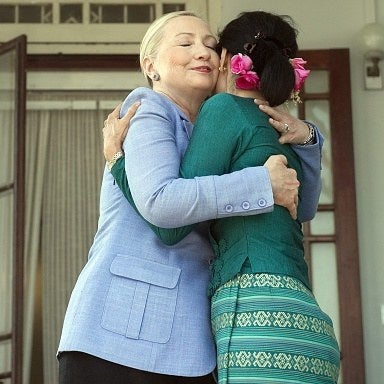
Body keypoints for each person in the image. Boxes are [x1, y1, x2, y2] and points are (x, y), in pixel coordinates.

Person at [58, 11, 322, 384]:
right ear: (151, 66)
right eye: (185, 43)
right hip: (120, 333)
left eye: (211, 46)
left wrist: (309, 137)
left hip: (194, 336)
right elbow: (162, 203)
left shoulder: (222, 123)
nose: (203, 53)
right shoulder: (147, 109)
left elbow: (300, 205)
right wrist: (262, 184)